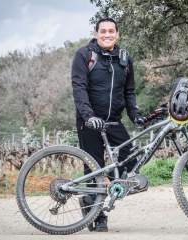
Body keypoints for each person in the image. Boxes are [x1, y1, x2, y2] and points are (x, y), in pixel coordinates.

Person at [71, 17, 147, 232]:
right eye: (102, 31)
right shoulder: (84, 54)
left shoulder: (124, 58)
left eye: (111, 31)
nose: (107, 34)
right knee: (93, 167)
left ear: (117, 34)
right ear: (96, 34)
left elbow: (129, 92)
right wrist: (88, 116)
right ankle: (97, 214)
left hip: (114, 121)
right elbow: (79, 88)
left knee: (133, 159)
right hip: (91, 122)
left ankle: (100, 190)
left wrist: (136, 115)